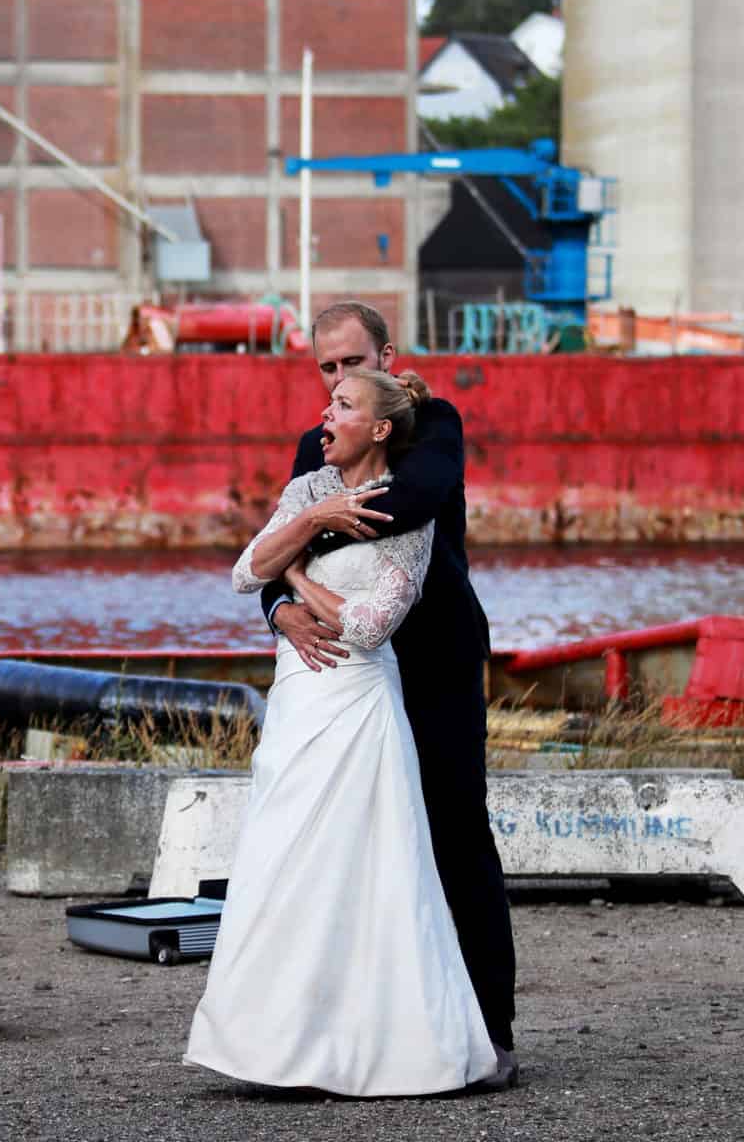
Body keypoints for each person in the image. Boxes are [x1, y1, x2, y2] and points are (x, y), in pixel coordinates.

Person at [186, 368, 495, 1095]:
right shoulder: (307, 491)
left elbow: (367, 625)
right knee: (282, 862)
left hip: (358, 708)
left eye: (343, 404)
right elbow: (243, 570)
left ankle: (382, 1049)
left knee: (369, 873)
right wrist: (309, 529)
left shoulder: (406, 516)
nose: (325, 413)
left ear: (381, 428)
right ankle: (270, 1047)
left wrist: (295, 582)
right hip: (297, 705)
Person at [260, 301, 517, 1084]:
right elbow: (263, 554)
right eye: (326, 371)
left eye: (350, 365)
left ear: (387, 357)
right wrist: (280, 607)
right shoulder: (319, 441)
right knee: (342, 852)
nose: (337, 383)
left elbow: (411, 502)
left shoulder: (435, 426)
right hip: (348, 676)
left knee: (453, 834)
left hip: (432, 662)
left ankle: (490, 1034)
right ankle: (340, 1041)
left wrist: (317, 521)